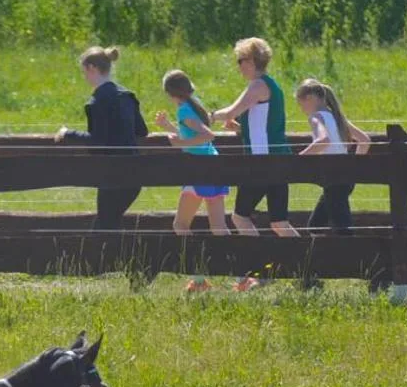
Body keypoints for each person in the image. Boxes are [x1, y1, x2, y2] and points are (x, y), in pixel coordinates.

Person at [212, 37, 299, 240]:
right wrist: (241, 129)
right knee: (279, 223)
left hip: (262, 163)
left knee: (240, 217)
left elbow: (231, 111)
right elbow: (266, 126)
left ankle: (257, 266)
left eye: (240, 60)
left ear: (251, 61)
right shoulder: (271, 86)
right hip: (277, 160)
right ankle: (306, 264)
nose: (239, 66)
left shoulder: (257, 86)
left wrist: (209, 116)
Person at [56, 46, 148, 230]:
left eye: (85, 72)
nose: (85, 77)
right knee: (110, 223)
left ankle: (111, 258)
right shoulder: (127, 96)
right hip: (134, 173)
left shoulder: (97, 102)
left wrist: (68, 133)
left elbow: (97, 141)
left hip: (112, 173)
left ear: (92, 68)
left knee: (105, 226)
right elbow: (142, 131)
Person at [155, 69, 230, 293]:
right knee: (219, 227)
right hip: (212, 166)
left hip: (197, 170)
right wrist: (169, 127)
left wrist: (178, 144)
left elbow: (207, 135)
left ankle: (199, 279)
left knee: (180, 225)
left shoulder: (184, 109)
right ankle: (241, 273)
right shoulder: (192, 105)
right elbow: (190, 134)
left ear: (170, 93)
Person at [294, 77, 370, 235]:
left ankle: (354, 258)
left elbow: (324, 140)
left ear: (310, 98)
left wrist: (299, 158)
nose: (302, 110)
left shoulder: (316, 117)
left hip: (333, 176)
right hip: (345, 177)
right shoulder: (336, 116)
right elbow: (365, 140)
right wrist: (353, 166)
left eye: (301, 105)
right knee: (316, 226)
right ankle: (324, 257)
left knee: (342, 228)